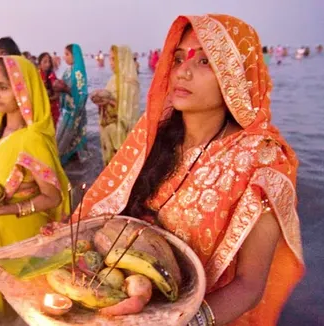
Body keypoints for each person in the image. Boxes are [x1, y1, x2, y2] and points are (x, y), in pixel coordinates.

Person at [71, 15, 303, 325]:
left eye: (205, 61)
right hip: (129, 294)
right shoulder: (153, 135)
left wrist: (184, 322)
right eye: (178, 58)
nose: (183, 71)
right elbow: (108, 204)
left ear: (236, 75)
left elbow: (249, 285)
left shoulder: (261, 161)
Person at [0, 55, 70, 312]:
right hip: (1, 226)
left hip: (25, 233)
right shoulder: (2, 131)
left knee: (31, 300)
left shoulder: (31, 138)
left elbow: (52, 197)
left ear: (23, 90)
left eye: (3, 87)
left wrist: (0, 210)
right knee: (11, 293)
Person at [91, 45, 140, 165]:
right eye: (110, 59)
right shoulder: (113, 79)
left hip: (121, 133)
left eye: (114, 59)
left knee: (122, 165)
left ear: (122, 60)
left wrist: (109, 101)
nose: (111, 63)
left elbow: (128, 115)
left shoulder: (130, 83)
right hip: (109, 130)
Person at [54, 44, 88, 164]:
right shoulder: (68, 71)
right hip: (67, 111)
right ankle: (69, 159)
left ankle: (70, 160)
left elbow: (82, 93)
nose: (65, 57)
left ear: (75, 56)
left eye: (67, 54)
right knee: (64, 137)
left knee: (70, 137)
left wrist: (66, 90)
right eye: (65, 54)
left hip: (74, 112)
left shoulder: (78, 73)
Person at [38, 52, 61, 126]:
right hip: (41, 110)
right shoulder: (37, 76)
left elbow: (57, 95)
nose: (48, 64)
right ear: (39, 64)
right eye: (45, 62)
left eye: (49, 62)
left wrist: (46, 98)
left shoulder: (52, 75)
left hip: (53, 109)